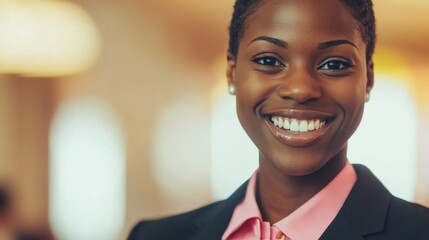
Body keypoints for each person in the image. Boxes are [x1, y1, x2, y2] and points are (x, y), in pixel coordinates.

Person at [128, 0, 429, 239]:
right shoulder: (154, 236)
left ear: (368, 79)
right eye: (269, 61)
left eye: (334, 64)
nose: (300, 89)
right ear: (232, 72)